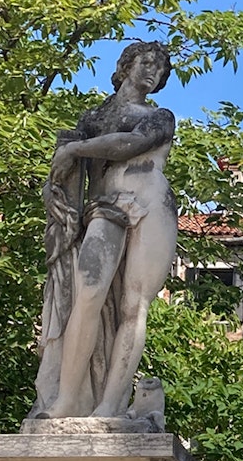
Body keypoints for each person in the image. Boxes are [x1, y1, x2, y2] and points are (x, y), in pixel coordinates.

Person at [31, 41, 177, 419]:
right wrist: (56, 185)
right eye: (146, 62)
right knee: (88, 295)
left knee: (134, 305)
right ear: (126, 65)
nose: (153, 71)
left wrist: (76, 150)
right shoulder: (93, 119)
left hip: (152, 204)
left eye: (160, 68)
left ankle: (110, 405)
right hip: (104, 206)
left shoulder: (161, 117)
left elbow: (131, 144)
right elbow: (65, 176)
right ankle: (66, 400)